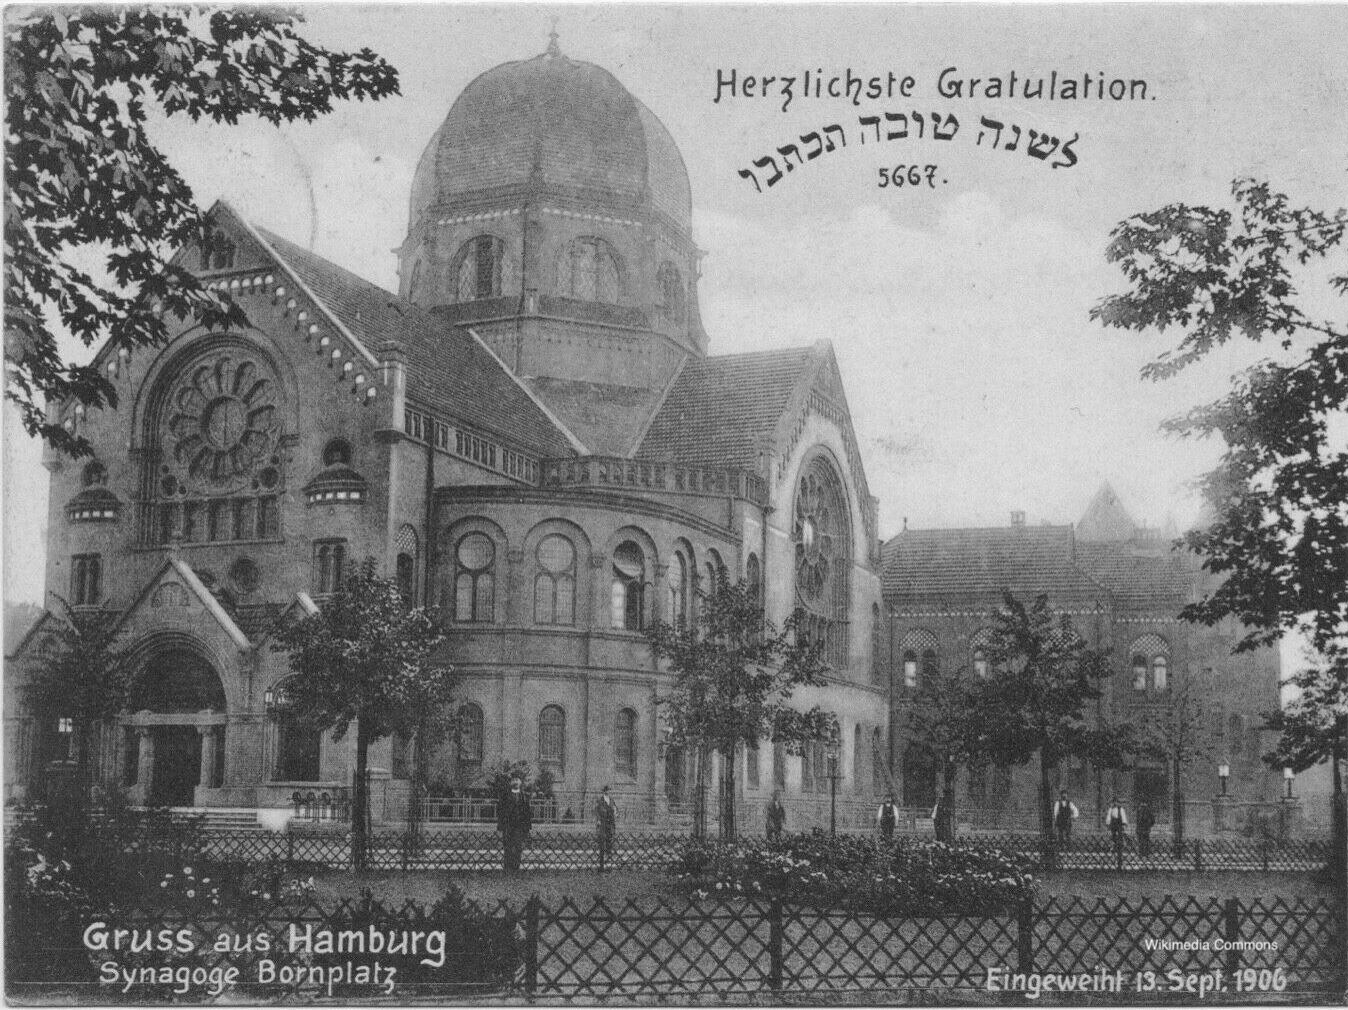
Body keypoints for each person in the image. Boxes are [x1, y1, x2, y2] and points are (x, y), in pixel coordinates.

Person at [496, 775, 532, 872]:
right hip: (508, 826)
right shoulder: (505, 796)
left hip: (519, 826)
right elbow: (500, 811)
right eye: (513, 780)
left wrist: (527, 827)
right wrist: (500, 826)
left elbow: (527, 812)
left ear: (520, 782)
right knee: (508, 846)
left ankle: (516, 867)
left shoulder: (524, 796)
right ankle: (508, 867)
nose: (515, 782)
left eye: (517, 780)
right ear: (510, 783)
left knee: (518, 846)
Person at [595, 785, 617, 872]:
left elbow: (615, 808)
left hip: (610, 822)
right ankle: (602, 857)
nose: (608, 792)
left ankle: (608, 855)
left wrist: (616, 812)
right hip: (603, 821)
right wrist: (598, 820)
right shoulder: (600, 800)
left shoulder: (611, 799)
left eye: (609, 790)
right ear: (604, 791)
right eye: (607, 790)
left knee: (610, 838)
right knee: (602, 838)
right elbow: (597, 811)